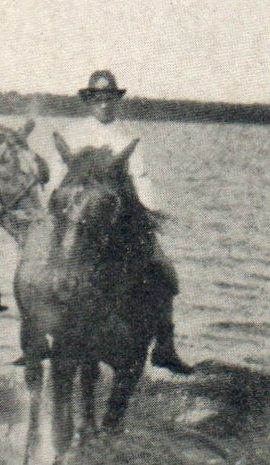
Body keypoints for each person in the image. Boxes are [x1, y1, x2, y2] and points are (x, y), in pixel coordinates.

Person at [60, 69, 195, 375]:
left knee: (164, 270)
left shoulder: (127, 137)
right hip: (80, 215)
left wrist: (147, 211)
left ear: (116, 100)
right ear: (89, 101)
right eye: (98, 98)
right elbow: (61, 177)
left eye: (109, 98)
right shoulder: (73, 134)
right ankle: (41, 337)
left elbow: (141, 177)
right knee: (50, 267)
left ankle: (165, 345)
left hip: (119, 215)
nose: (104, 104)